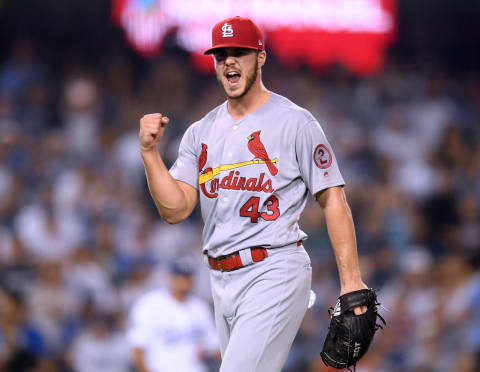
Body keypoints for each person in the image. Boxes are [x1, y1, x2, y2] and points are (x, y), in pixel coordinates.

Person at [138, 16, 368, 372]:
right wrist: (150, 155)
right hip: (219, 278)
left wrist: (351, 279)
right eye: (221, 54)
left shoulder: (295, 122)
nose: (229, 61)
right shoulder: (201, 132)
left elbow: (333, 199)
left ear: (260, 57)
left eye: (239, 52)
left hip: (274, 269)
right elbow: (175, 209)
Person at [127, 258, 219, 372]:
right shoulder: (149, 304)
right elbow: (137, 351)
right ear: (170, 277)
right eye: (180, 276)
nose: (184, 281)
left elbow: (214, 347)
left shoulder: (200, 307)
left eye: (188, 276)